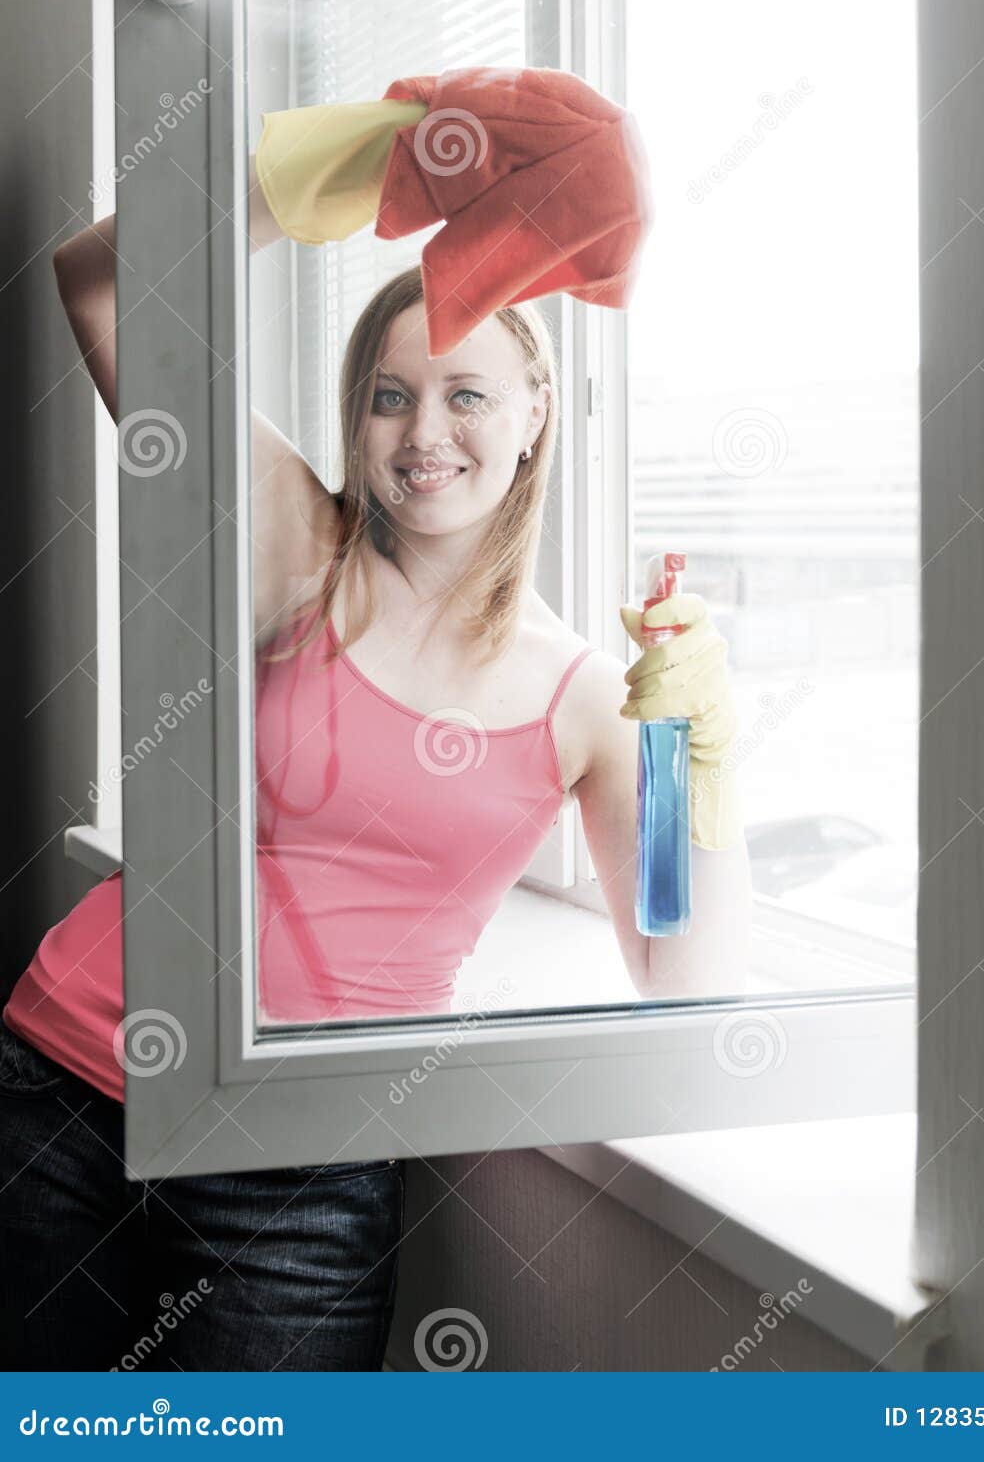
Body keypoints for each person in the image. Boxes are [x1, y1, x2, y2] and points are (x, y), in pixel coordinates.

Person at [0, 153, 751, 1372]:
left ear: (534, 410)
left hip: (300, 1167)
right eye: (390, 395)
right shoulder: (302, 548)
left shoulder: (591, 700)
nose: (424, 431)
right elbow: (102, 281)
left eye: (466, 392)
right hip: (70, 1090)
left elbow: (685, 975)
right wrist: (371, 158)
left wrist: (690, 754)